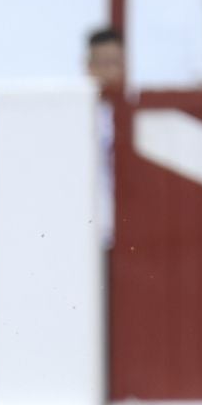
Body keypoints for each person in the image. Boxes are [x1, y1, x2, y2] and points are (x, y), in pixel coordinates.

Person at [86, 26, 123, 253]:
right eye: (103, 63)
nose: (109, 71)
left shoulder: (135, 117)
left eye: (115, 62)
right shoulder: (78, 117)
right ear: (89, 67)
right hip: (91, 228)